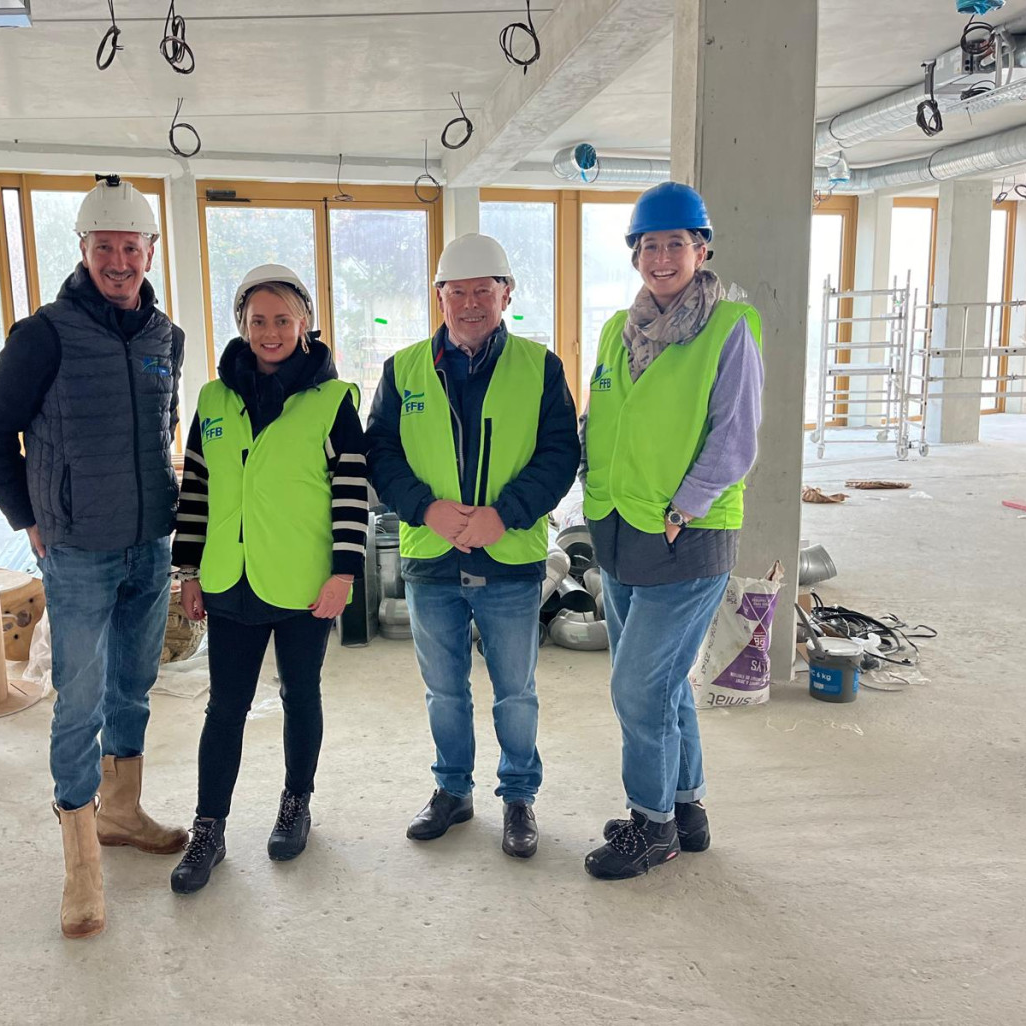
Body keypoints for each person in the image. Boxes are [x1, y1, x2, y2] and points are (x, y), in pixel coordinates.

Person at [0, 175, 188, 939]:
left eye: (133, 247)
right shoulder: (45, 334)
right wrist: (29, 517)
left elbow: (164, 432)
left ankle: (123, 813)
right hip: (77, 551)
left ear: (151, 251)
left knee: (135, 684)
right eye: (107, 248)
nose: (121, 261)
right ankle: (80, 864)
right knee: (81, 698)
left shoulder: (168, 336)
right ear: (85, 251)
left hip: (148, 544)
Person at [366, 233, 579, 859]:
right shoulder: (402, 368)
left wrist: (504, 516)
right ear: (439, 296)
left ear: (505, 294)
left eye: (482, 291)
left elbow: (561, 453)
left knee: (515, 689)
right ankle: (452, 790)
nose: (468, 304)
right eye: (455, 292)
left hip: (508, 558)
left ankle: (518, 797)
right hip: (431, 558)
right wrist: (424, 508)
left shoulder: (540, 368)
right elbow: (379, 451)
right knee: (444, 689)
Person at [580, 181, 764, 881]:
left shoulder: (729, 326)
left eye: (675, 244)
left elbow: (736, 437)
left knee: (636, 688)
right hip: (621, 531)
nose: (661, 257)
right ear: (634, 255)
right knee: (664, 687)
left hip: (686, 536)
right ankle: (686, 810)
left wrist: (684, 506)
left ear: (701, 248)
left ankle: (649, 824)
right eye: (649, 245)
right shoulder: (614, 331)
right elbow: (604, 422)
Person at [168, 264, 367, 894]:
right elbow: (195, 489)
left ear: (306, 323)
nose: (271, 331)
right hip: (230, 581)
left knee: (299, 695)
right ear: (242, 325)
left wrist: (345, 573)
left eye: (284, 319)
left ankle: (295, 802)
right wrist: (190, 571)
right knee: (224, 706)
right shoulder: (214, 399)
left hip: (306, 584)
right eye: (259, 320)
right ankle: (210, 827)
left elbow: (351, 493)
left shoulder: (333, 402)